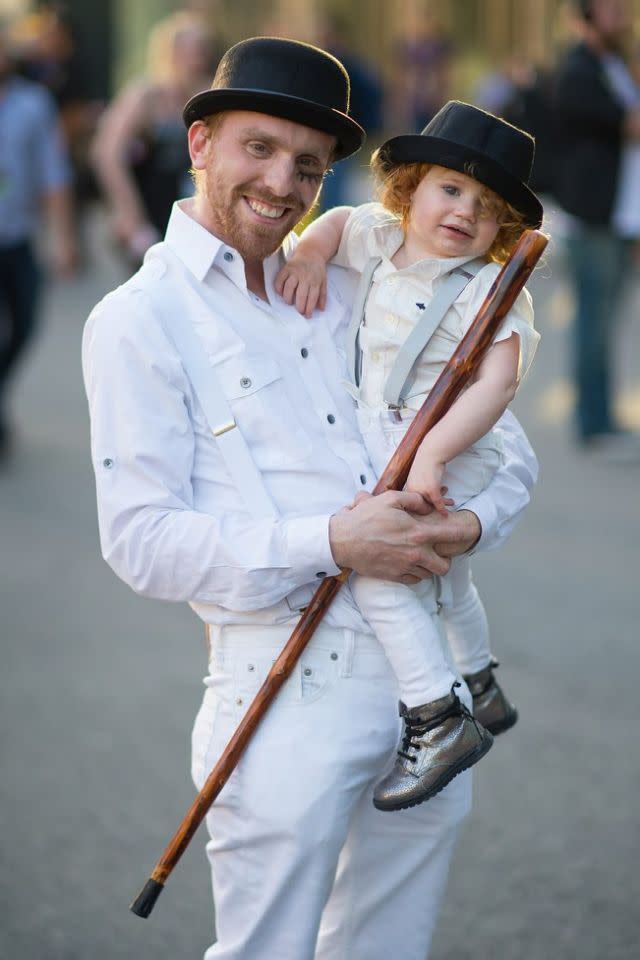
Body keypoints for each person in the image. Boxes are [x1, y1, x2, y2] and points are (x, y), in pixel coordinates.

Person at [82, 37, 538, 960]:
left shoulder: (348, 278)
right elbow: (142, 542)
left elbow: (509, 447)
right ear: (201, 142)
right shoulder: (139, 319)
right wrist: (334, 541)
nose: (283, 183)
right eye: (260, 148)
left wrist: (471, 520)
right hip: (282, 691)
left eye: (309, 166)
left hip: (432, 697)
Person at [275, 101, 542, 810]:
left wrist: (434, 454)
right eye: (451, 190)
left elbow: (499, 382)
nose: (463, 213)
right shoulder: (375, 235)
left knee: (383, 574)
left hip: (454, 440)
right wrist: (306, 248)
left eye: (485, 208)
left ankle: (435, 715)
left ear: (502, 229)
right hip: (390, 432)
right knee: (445, 580)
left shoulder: (489, 286)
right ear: (410, 187)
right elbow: (333, 222)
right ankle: (478, 682)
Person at [553, 0, 640, 453]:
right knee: (593, 321)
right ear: (587, 13)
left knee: (610, 321)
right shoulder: (578, 70)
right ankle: (592, 423)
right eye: (612, 8)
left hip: (623, 217)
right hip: (593, 218)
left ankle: (604, 416)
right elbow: (626, 125)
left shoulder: (616, 65)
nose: (623, 16)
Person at [0, 26, 76, 460]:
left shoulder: (33, 104)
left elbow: (54, 176)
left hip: (18, 240)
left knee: (25, 324)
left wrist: (63, 238)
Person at [90, 10, 215, 267]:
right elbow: (106, 153)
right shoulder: (147, 96)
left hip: (193, 218)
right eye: (191, 51)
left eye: (202, 51)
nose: (197, 60)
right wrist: (131, 217)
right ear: (171, 53)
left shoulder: (209, 94)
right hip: (151, 214)